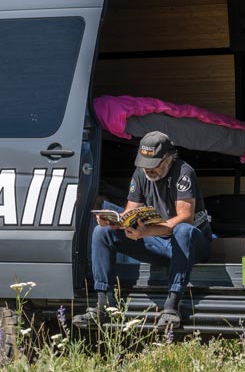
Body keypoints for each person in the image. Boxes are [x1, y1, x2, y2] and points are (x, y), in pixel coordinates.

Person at [73, 131, 212, 329]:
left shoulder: (183, 172)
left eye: (153, 164)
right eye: (144, 164)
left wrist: (146, 232)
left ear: (168, 159)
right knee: (102, 233)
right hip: (158, 243)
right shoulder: (141, 172)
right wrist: (114, 221)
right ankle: (102, 305)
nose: (148, 170)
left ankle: (172, 305)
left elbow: (185, 218)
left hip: (191, 246)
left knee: (183, 230)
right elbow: (131, 211)